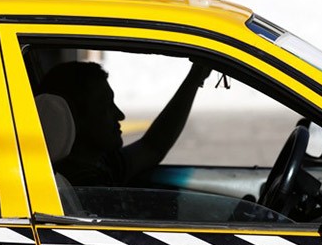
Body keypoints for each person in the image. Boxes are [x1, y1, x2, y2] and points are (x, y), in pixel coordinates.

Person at [36, 59, 210, 187]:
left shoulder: (101, 163)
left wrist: (194, 78)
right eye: (105, 107)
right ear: (73, 119)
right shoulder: (84, 186)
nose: (120, 115)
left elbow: (153, 146)